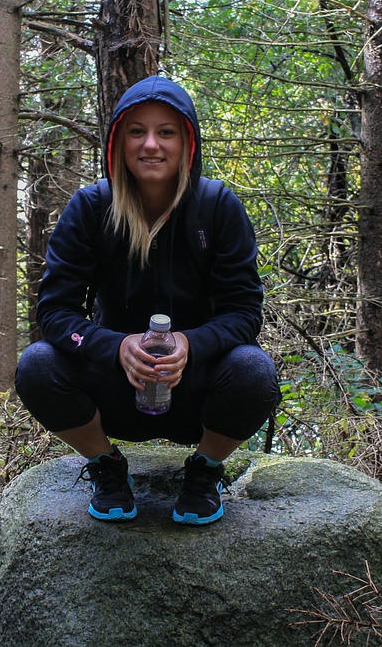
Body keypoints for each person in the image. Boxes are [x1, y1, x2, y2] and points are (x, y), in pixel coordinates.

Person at [15, 75, 280, 525]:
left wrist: (189, 345)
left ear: (187, 142)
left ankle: (204, 471)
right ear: (118, 141)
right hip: (115, 388)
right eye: (137, 131)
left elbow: (243, 312)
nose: (151, 145)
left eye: (166, 132)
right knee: (37, 365)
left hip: (196, 392)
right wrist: (114, 347)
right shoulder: (91, 208)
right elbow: (55, 311)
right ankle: (106, 467)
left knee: (255, 372)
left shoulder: (217, 207)